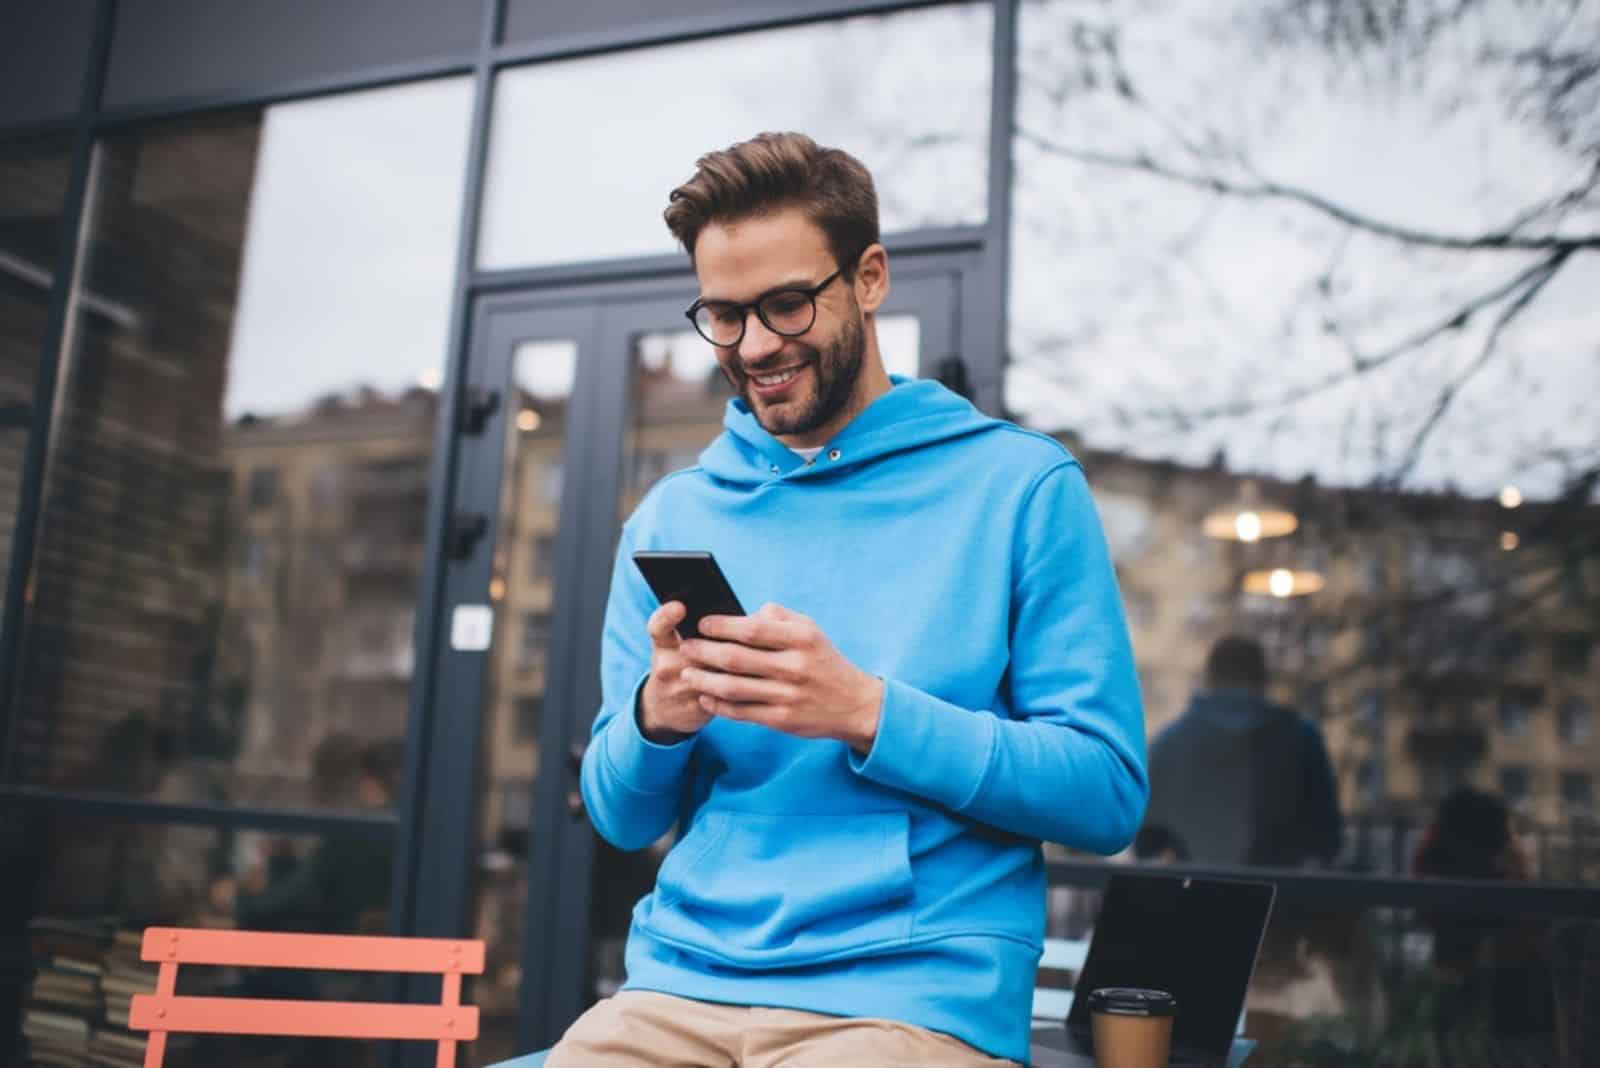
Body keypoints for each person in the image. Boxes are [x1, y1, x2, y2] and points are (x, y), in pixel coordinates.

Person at [546, 132, 1148, 1067]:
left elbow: (1106, 794)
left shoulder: (1020, 488)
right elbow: (620, 818)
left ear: (868, 279)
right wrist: (655, 721)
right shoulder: (671, 517)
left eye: (786, 305)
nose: (754, 348)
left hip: (908, 998)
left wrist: (868, 713)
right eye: (724, 315)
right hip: (680, 987)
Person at [1143, 635, 1341, 868]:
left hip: (1195, 893)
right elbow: (1327, 839)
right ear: (1262, 678)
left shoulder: (1169, 742)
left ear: (1210, 677)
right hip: (1279, 893)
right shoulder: (1301, 738)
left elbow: (1147, 843)